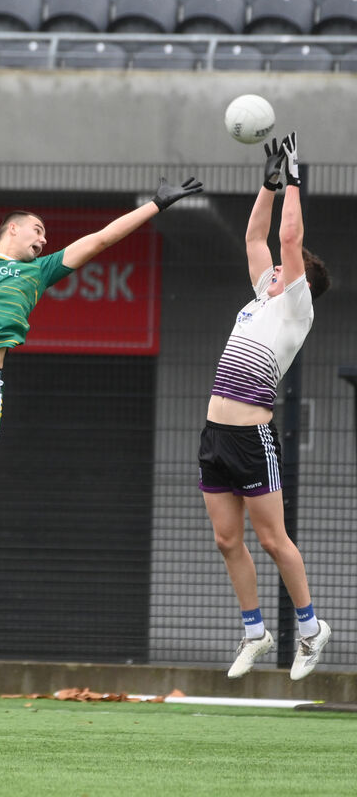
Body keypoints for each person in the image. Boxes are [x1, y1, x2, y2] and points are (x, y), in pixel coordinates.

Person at [0, 174, 203, 649]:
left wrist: (155, 206)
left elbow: (100, 239)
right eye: (37, 230)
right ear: (13, 230)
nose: (44, 239)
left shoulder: (38, 271)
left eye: (45, 236)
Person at [198, 133, 331, 681]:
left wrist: (295, 178)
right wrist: (269, 182)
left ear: (297, 281)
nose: (273, 266)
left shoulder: (294, 309)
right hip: (214, 436)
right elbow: (257, 232)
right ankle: (255, 631)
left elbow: (287, 236)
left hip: (254, 439)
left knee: (273, 540)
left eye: (282, 267)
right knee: (227, 539)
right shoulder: (260, 299)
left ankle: (310, 627)